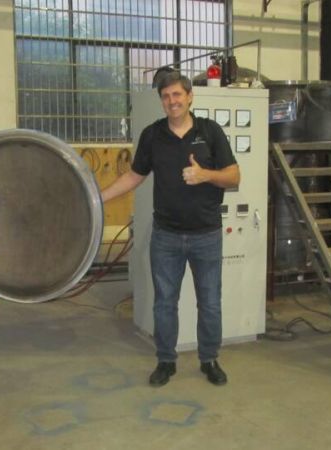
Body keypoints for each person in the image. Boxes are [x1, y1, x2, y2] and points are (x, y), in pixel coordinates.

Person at [101, 72, 240, 387]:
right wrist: (99, 198)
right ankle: (166, 360)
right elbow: (134, 176)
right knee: (164, 302)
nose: (172, 101)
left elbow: (234, 176)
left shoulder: (210, 131)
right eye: (166, 96)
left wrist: (205, 175)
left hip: (206, 234)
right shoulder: (153, 135)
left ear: (190, 97)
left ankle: (209, 359)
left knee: (210, 303)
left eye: (177, 94)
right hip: (166, 236)